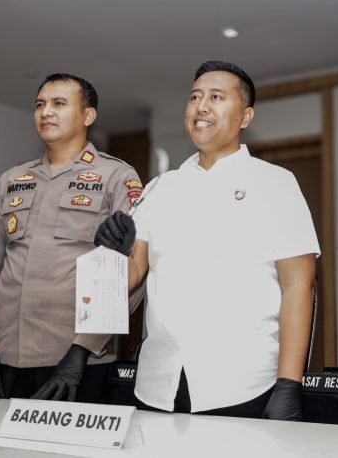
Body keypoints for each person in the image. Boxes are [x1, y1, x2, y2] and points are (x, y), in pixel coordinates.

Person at [93, 60, 320, 419]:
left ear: (245, 116)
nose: (201, 106)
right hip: (158, 383)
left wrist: (289, 384)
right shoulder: (160, 188)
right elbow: (132, 277)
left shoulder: (277, 183)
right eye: (195, 97)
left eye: (216, 97)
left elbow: (299, 287)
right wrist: (111, 254)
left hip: (244, 384)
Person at [0, 73, 143, 404]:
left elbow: (131, 273)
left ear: (88, 115)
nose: (46, 111)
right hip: (7, 360)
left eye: (59, 103)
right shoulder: (13, 180)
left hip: (78, 363)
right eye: (40, 104)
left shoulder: (117, 177)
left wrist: (84, 348)